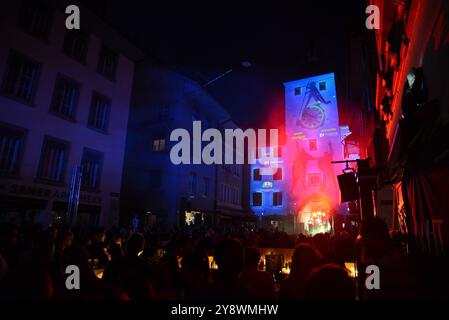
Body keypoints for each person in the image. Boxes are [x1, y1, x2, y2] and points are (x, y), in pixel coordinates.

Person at [358, 217, 421, 299]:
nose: (361, 242)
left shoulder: (377, 270)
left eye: (363, 237)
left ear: (372, 239)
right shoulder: (401, 260)